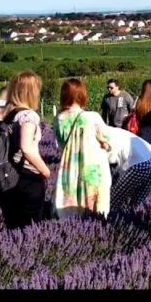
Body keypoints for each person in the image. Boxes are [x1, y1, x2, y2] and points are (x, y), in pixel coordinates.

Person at [0, 72, 51, 229]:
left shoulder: (3, 113)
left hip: (4, 177)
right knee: (30, 228)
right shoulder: (28, 116)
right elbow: (26, 148)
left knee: (12, 227)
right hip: (26, 178)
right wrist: (45, 171)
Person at [53, 79, 112, 219]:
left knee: (70, 212)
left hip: (69, 171)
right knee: (96, 212)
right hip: (92, 171)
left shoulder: (58, 119)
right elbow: (107, 143)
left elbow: (61, 146)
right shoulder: (92, 117)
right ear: (82, 95)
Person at [105, 126, 151, 212]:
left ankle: (106, 220)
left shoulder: (105, 137)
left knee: (113, 201)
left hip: (139, 164)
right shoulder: (112, 130)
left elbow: (111, 163)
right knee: (136, 204)